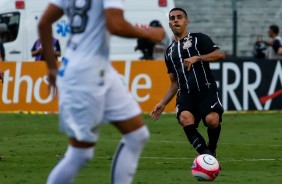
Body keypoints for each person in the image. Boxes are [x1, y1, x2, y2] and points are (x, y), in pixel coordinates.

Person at [38, 0, 164, 184]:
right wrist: (150, 33)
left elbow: (44, 22)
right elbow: (115, 24)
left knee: (137, 135)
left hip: (98, 69)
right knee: (80, 154)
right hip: (85, 75)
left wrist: (51, 67)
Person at [150, 8, 225, 159]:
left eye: (179, 17)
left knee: (212, 120)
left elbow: (219, 55)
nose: (176, 20)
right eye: (172, 18)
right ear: (170, 24)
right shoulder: (169, 52)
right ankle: (208, 158)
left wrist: (198, 58)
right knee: (185, 118)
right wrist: (162, 103)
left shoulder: (199, 39)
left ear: (186, 22)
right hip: (185, 93)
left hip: (206, 89)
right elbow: (174, 83)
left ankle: (211, 148)